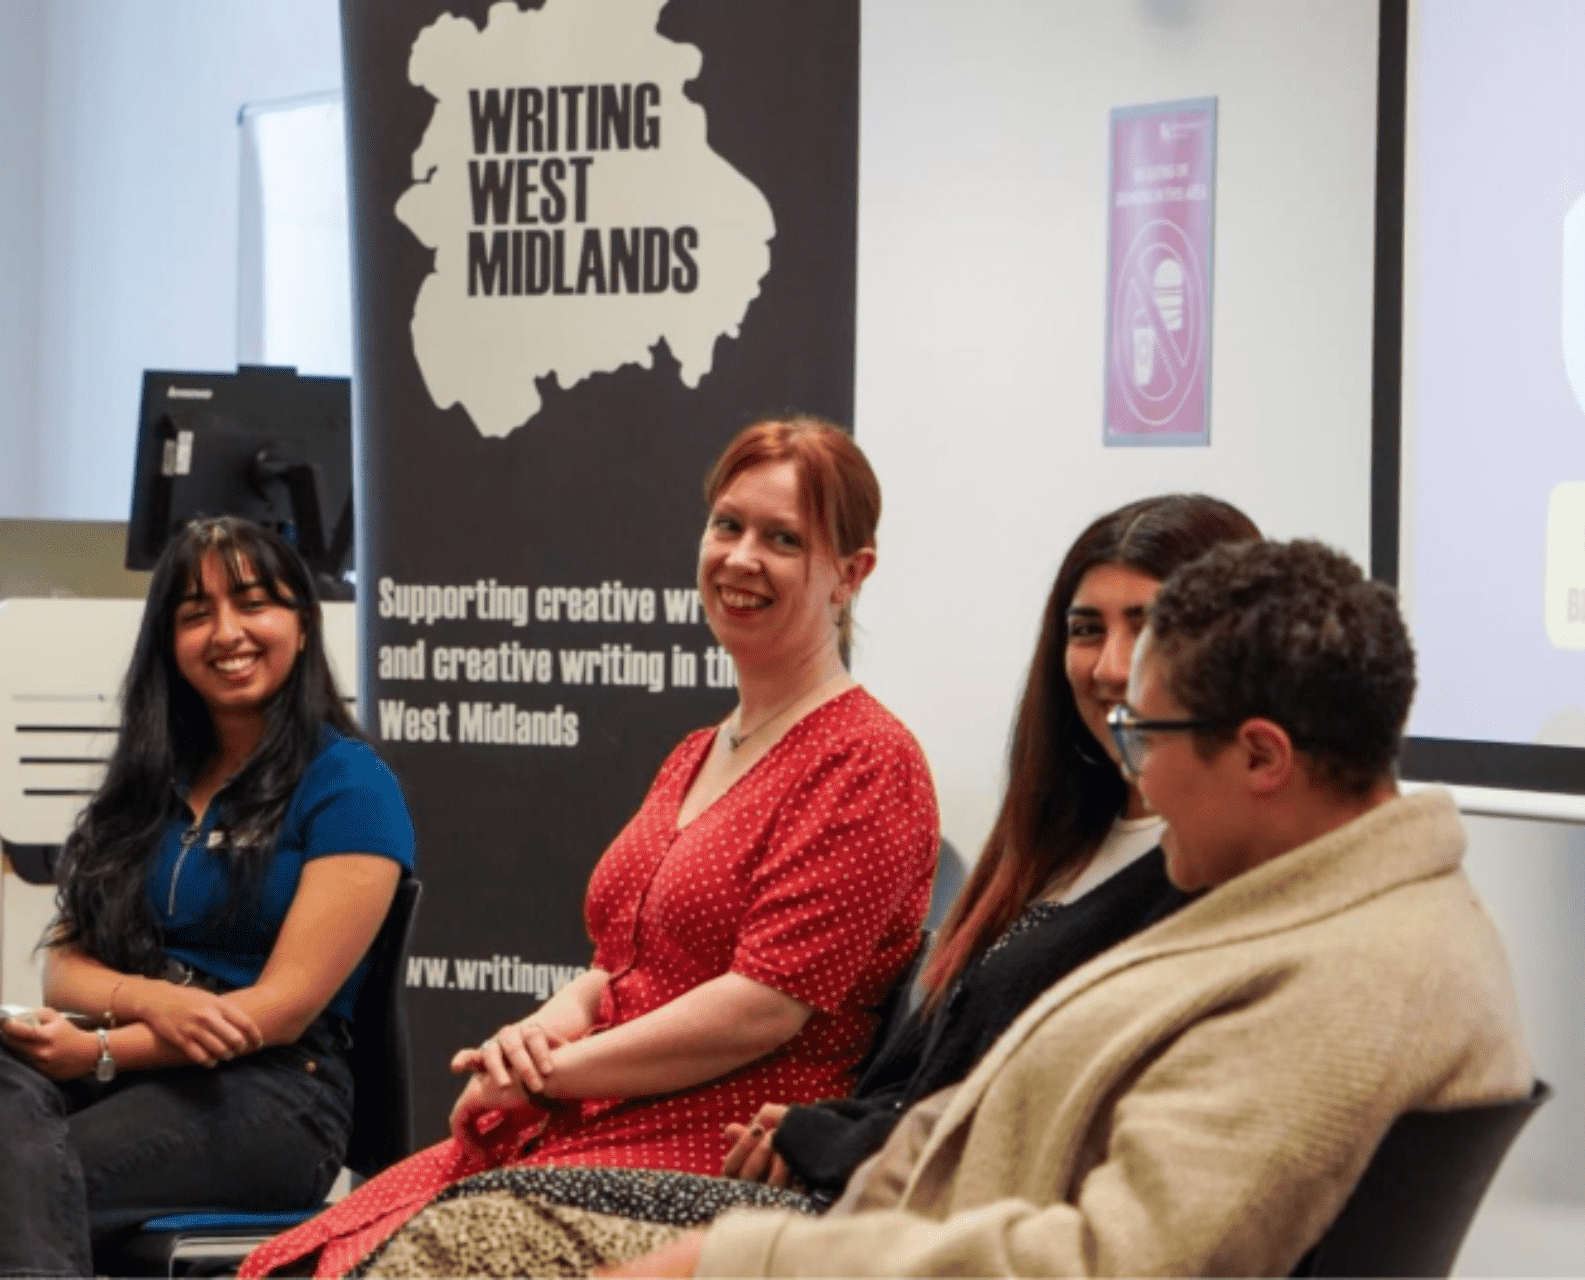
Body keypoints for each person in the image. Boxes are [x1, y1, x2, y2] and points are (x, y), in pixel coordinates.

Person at [346, 495, 1262, 1279]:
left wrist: (834, 1136)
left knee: (480, 1231)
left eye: (1148, 626)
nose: (1109, 666)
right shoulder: (1050, 845)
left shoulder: (1196, 877)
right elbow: (625, 958)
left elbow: (789, 1019)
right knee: (413, 1222)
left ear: (849, 573)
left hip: (879, 1208)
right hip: (839, 1170)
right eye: (1088, 628)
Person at [611, 538, 1531, 1278]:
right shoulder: (1322, 916)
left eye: (1147, 732)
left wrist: (752, 1260)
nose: (1137, 769)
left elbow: (1112, 1264)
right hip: (898, 1227)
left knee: (492, 1246)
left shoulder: (1349, 985)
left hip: (902, 1247)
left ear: (1262, 757)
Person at [239, 417, 941, 1278]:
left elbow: (763, 1006)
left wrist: (551, 1075)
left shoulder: (867, 759)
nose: (741, 558)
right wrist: (533, 1037)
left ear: (851, 574)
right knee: (302, 1260)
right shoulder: (698, 750)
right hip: (598, 1117)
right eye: (728, 525)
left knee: (410, 1260)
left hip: (714, 1148)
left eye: (784, 540)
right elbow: (619, 964)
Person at [0, 516, 415, 1277]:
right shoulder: (147, 784)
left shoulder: (351, 785)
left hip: (273, 1097)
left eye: (253, 603)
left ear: (302, 627)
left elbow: (281, 1010)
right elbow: (64, 969)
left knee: (10, 1188)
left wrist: (101, 1050)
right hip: (139, 1069)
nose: (227, 631)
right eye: (195, 613)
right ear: (168, 645)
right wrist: (152, 1006)